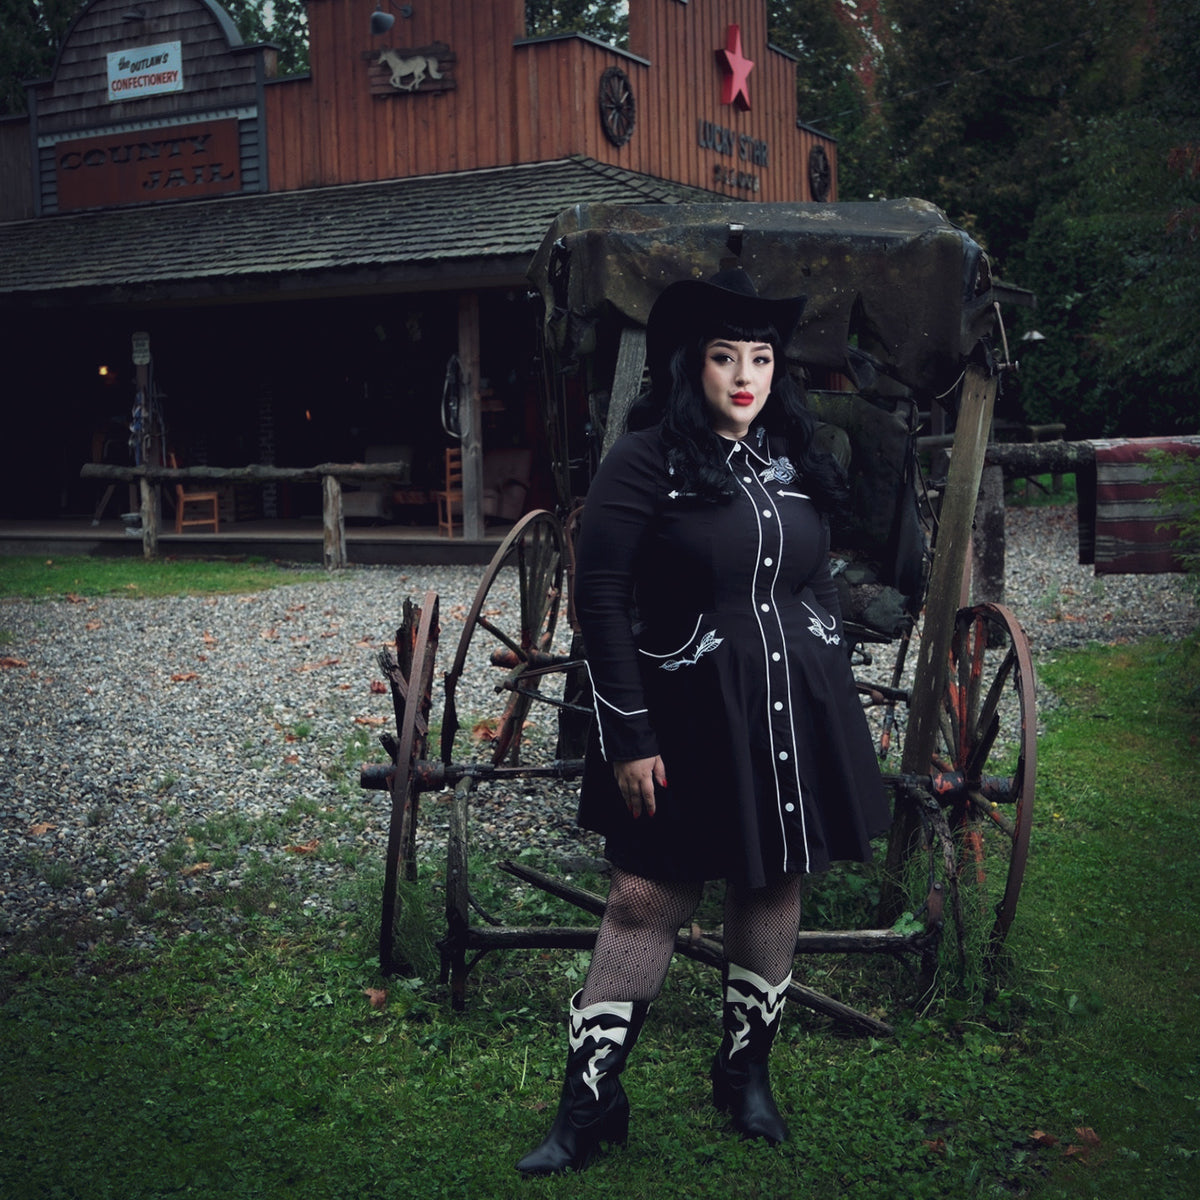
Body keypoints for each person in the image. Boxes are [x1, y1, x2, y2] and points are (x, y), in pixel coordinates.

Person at [516, 267, 891, 1176]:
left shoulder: (793, 456)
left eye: (760, 358)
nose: (745, 376)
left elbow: (813, 575)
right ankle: (589, 1101)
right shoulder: (642, 459)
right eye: (725, 357)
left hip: (792, 716)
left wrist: (824, 654)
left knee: (770, 886)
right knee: (645, 896)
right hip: (681, 718)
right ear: (694, 367)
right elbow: (601, 600)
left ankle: (744, 1073)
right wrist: (630, 738)